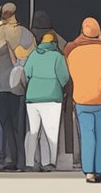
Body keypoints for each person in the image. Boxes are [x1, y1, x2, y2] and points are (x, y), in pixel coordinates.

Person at [66, 18, 101, 183]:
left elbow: (70, 76)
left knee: (87, 136)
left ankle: (89, 172)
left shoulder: (74, 52)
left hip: (82, 100)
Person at [0, 3, 29, 171]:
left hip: (2, 88)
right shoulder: (24, 33)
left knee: (7, 127)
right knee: (17, 128)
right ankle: (20, 162)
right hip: (17, 87)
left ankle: (10, 160)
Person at [21, 32, 70, 171]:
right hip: (52, 97)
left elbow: (25, 74)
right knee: (51, 131)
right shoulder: (57, 56)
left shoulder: (33, 55)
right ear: (54, 43)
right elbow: (64, 77)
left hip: (32, 98)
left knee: (33, 131)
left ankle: (30, 163)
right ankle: (48, 162)